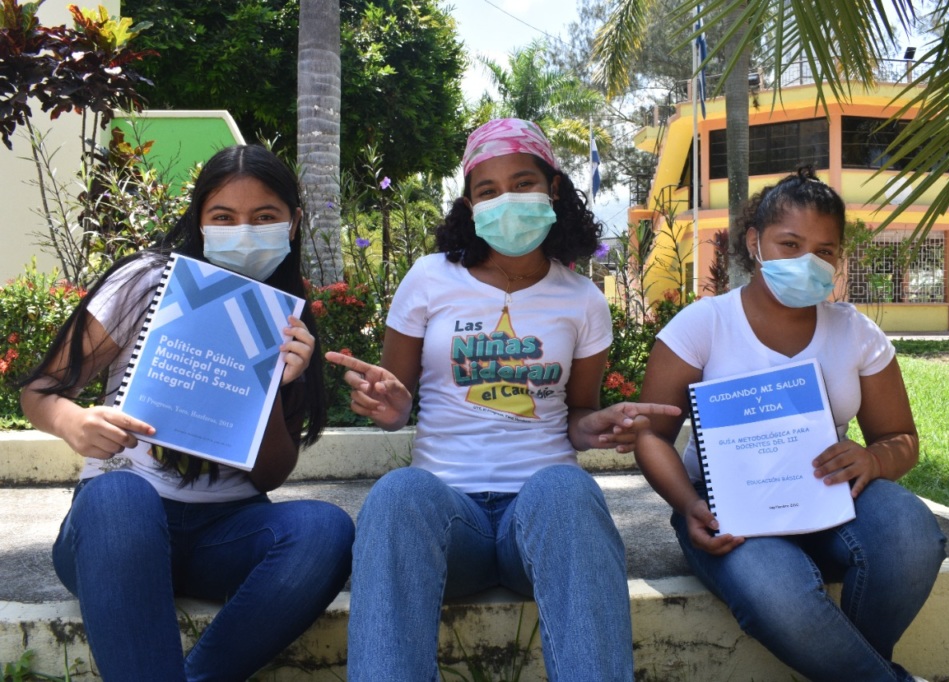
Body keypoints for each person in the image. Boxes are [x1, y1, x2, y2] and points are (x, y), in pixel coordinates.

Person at [327, 117, 679, 681]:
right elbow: (396, 399)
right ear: (469, 204)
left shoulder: (583, 299)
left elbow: (577, 416)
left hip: (537, 523)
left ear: (553, 190)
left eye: (522, 183)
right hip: (448, 520)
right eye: (487, 190)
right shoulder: (428, 279)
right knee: (397, 493)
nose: (506, 200)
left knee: (568, 487)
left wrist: (598, 427)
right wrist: (391, 408)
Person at [20, 144, 355, 682]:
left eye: (264, 217)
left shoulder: (289, 317)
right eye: (223, 217)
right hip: (116, 529)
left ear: (293, 224)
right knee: (120, 494)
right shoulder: (146, 283)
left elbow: (269, 475)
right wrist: (72, 421)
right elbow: (39, 391)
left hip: (223, 534)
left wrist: (269, 388)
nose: (243, 231)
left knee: (325, 529)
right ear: (199, 221)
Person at [634, 168, 946, 682]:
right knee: (777, 591)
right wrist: (688, 505)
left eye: (824, 251)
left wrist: (872, 458)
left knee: (912, 538)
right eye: (790, 243)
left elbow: (901, 439)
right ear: (755, 243)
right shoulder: (703, 325)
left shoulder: (854, 332)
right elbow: (651, 433)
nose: (808, 261)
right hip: (728, 509)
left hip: (834, 498)